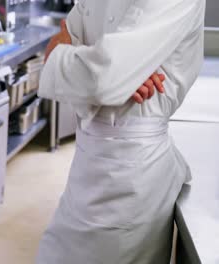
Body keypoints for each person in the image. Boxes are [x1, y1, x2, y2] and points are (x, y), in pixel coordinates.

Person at [37, 0, 205, 263]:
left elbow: (104, 78)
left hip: (132, 179)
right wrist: (108, 71)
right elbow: (57, 53)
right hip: (84, 168)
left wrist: (93, 64)